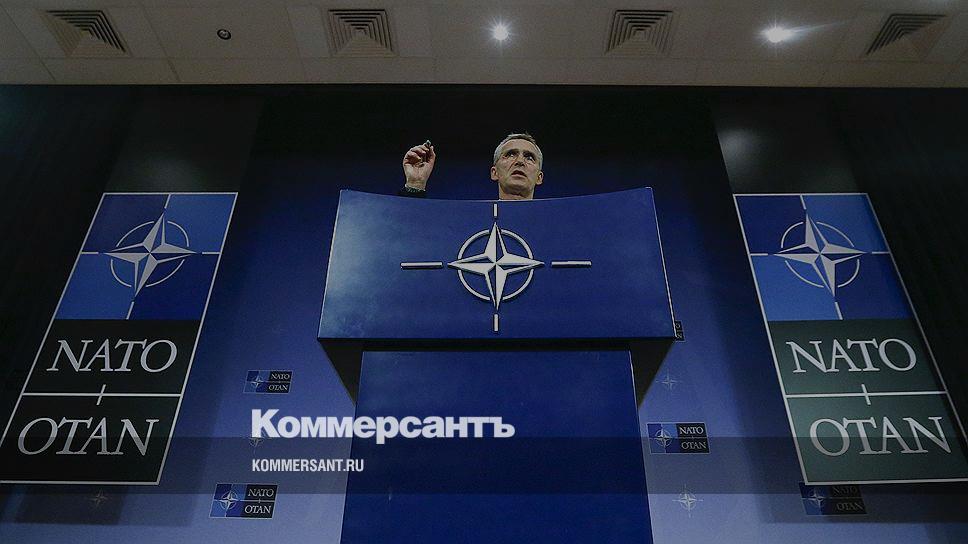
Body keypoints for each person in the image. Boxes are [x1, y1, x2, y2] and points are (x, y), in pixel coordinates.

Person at [399, 133, 544, 200]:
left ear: (539, 177)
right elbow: (411, 235)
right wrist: (415, 185)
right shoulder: (466, 219)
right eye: (510, 154)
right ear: (494, 173)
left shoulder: (556, 224)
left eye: (529, 157)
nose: (520, 161)